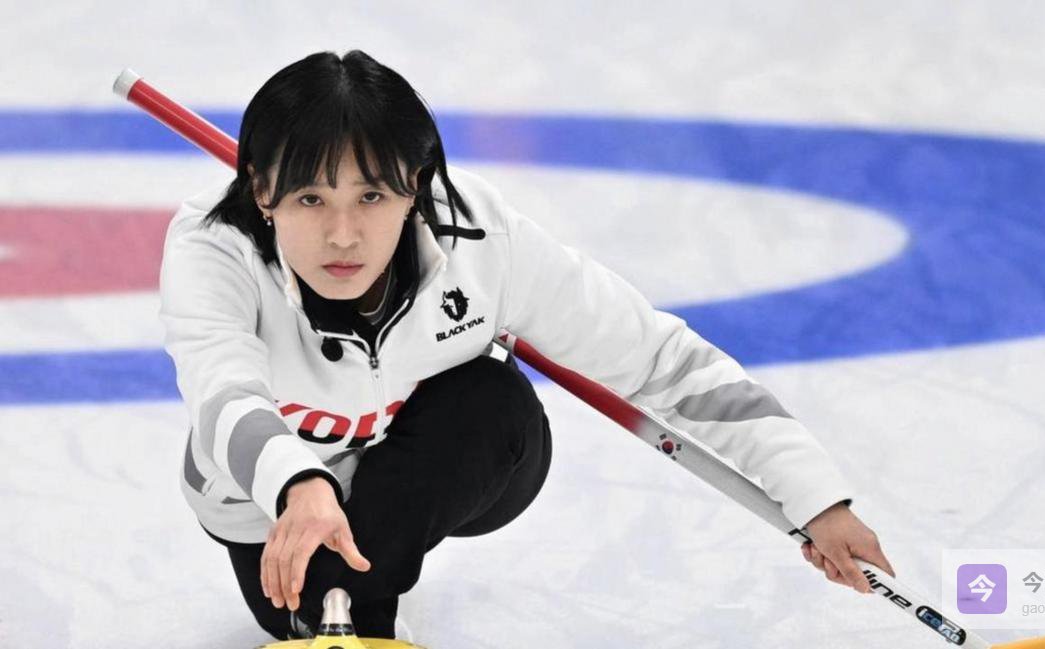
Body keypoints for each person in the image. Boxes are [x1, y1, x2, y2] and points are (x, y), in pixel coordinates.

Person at [160, 49, 895, 642]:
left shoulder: (480, 240)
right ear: (261, 191)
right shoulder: (213, 249)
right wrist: (297, 482)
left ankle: (355, 606)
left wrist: (815, 496)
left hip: (431, 461)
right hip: (268, 505)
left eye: (372, 196)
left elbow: (662, 359)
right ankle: (334, 603)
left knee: (491, 399)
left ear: (415, 187)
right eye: (311, 199)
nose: (343, 234)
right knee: (297, 589)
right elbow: (225, 392)